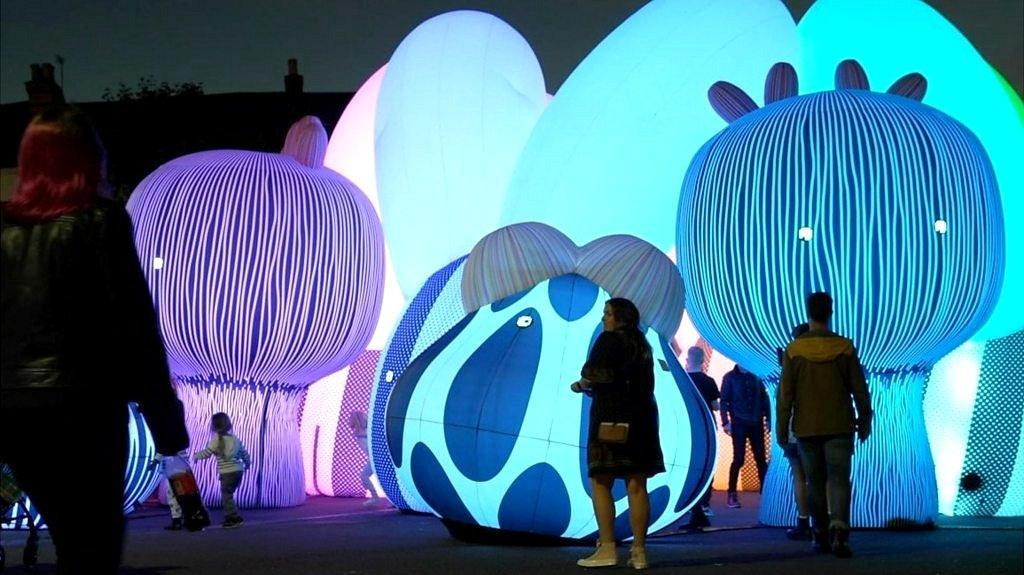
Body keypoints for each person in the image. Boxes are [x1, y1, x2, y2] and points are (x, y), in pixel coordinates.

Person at [1, 106, 190, 573]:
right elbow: (135, 327)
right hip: (84, 410)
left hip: (16, 413)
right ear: (90, 160)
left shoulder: (5, 230)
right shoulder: (100, 222)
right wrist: (167, 425)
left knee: (69, 535)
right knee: (93, 549)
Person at [571, 298, 663, 570]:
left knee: (601, 481)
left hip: (610, 420)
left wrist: (583, 383)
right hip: (643, 421)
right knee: (637, 485)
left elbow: (596, 373)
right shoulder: (642, 345)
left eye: (608, 313)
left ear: (620, 317)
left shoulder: (608, 340)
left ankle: (607, 547)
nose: (604, 319)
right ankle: (639, 552)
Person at [777, 292, 871, 558]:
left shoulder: (794, 350)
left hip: (806, 428)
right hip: (840, 425)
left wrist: (783, 428)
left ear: (808, 312)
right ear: (831, 312)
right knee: (840, 479)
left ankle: (819, 535)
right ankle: (840, 531)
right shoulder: (845, 346)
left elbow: (786, 395)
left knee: (815, 482)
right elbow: (859, 389)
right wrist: (864, 419)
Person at [720, 364, 770, 508]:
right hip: (739, 423)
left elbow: (764, 398)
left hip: (756, 422)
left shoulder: (757, 375)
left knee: (761, 459)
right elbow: (724, 401)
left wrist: (768, 418)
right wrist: (725, 422)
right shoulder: (729, 377)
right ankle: (731, 494)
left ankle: (765, 493)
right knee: (738, 459)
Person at [780, 324, 812, 540]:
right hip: (819, 427)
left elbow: (784, 400)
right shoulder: (822, 361)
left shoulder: (790, 361)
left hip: (794, 430)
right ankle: (828, 521)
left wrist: (781, 430)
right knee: (823, 477)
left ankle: (803, 521)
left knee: (799, 476)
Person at [682, 346, 719, 529]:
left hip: (689, 427)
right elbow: (715, 405)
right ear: (703, 359)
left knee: (689, 467)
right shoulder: (709, 381)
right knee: (707, 467)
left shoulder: (684, 379)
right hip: (708, 428)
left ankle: (693, 508)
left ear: (689, 358)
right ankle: (702, 504)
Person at [194, 412, 250, 528]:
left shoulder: (216, 441)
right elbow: (245, 454)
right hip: (238, 471)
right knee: (229, 494)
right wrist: (247, 464)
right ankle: (233, 515)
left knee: (226, 495)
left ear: (214, 426)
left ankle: (233, 518)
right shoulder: (235, 439)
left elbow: (207, 453)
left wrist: (196, 456)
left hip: (227, 473)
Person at [348, 410, 384, 507]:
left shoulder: (365, 432)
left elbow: (369, 448)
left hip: (376, 458)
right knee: (365, 476)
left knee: (364, 476)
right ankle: (375, 497)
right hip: (375, 458)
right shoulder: (363, 431)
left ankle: (375, 498)